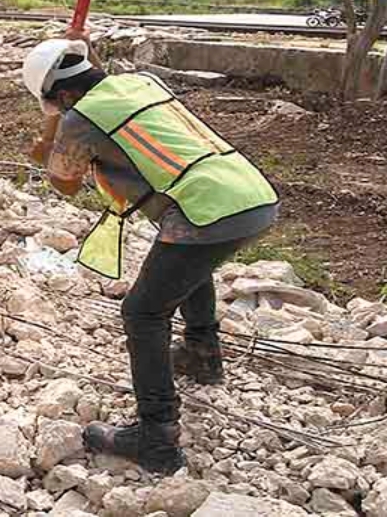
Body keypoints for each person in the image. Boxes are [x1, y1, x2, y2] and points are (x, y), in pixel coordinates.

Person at [23, 33, 279, 474]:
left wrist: (51, 147)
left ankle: (156, 437)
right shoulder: (141, 83)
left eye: (58, 105)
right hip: (251, 194)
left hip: (206, 209)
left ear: (63, 95)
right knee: (190, 266)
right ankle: (202, 355)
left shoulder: (79, 118)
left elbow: (64, 183)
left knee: (142, 313)